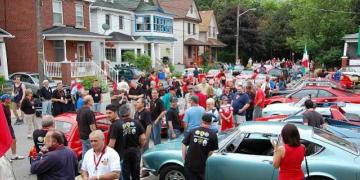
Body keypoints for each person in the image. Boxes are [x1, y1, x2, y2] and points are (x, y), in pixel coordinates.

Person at [182, 114, 219, 180]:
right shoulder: (213, 134)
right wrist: (205, 157)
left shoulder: (193, 130)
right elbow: (211, 151)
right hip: (201, 164)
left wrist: (184, 158)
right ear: (210, 123)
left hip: (189, 163)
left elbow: (184, 144)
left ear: (201, 121)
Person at [119, 105, 146, 180]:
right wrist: (140, 146)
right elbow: (143, 138)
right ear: (129, 112)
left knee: (125, 174)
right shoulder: (136, 122)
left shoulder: (118, 124)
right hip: (135, 150)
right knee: (136, 173)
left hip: (123, 152)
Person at [1, 94, 24, 160]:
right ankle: (2, 158)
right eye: (9, 99)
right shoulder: (1, 108)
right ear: (6, 100)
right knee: (3, 142)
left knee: (13, 140)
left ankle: (14, 155)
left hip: (9, 126)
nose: (10, 100)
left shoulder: (7, 106)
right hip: (4, 127)